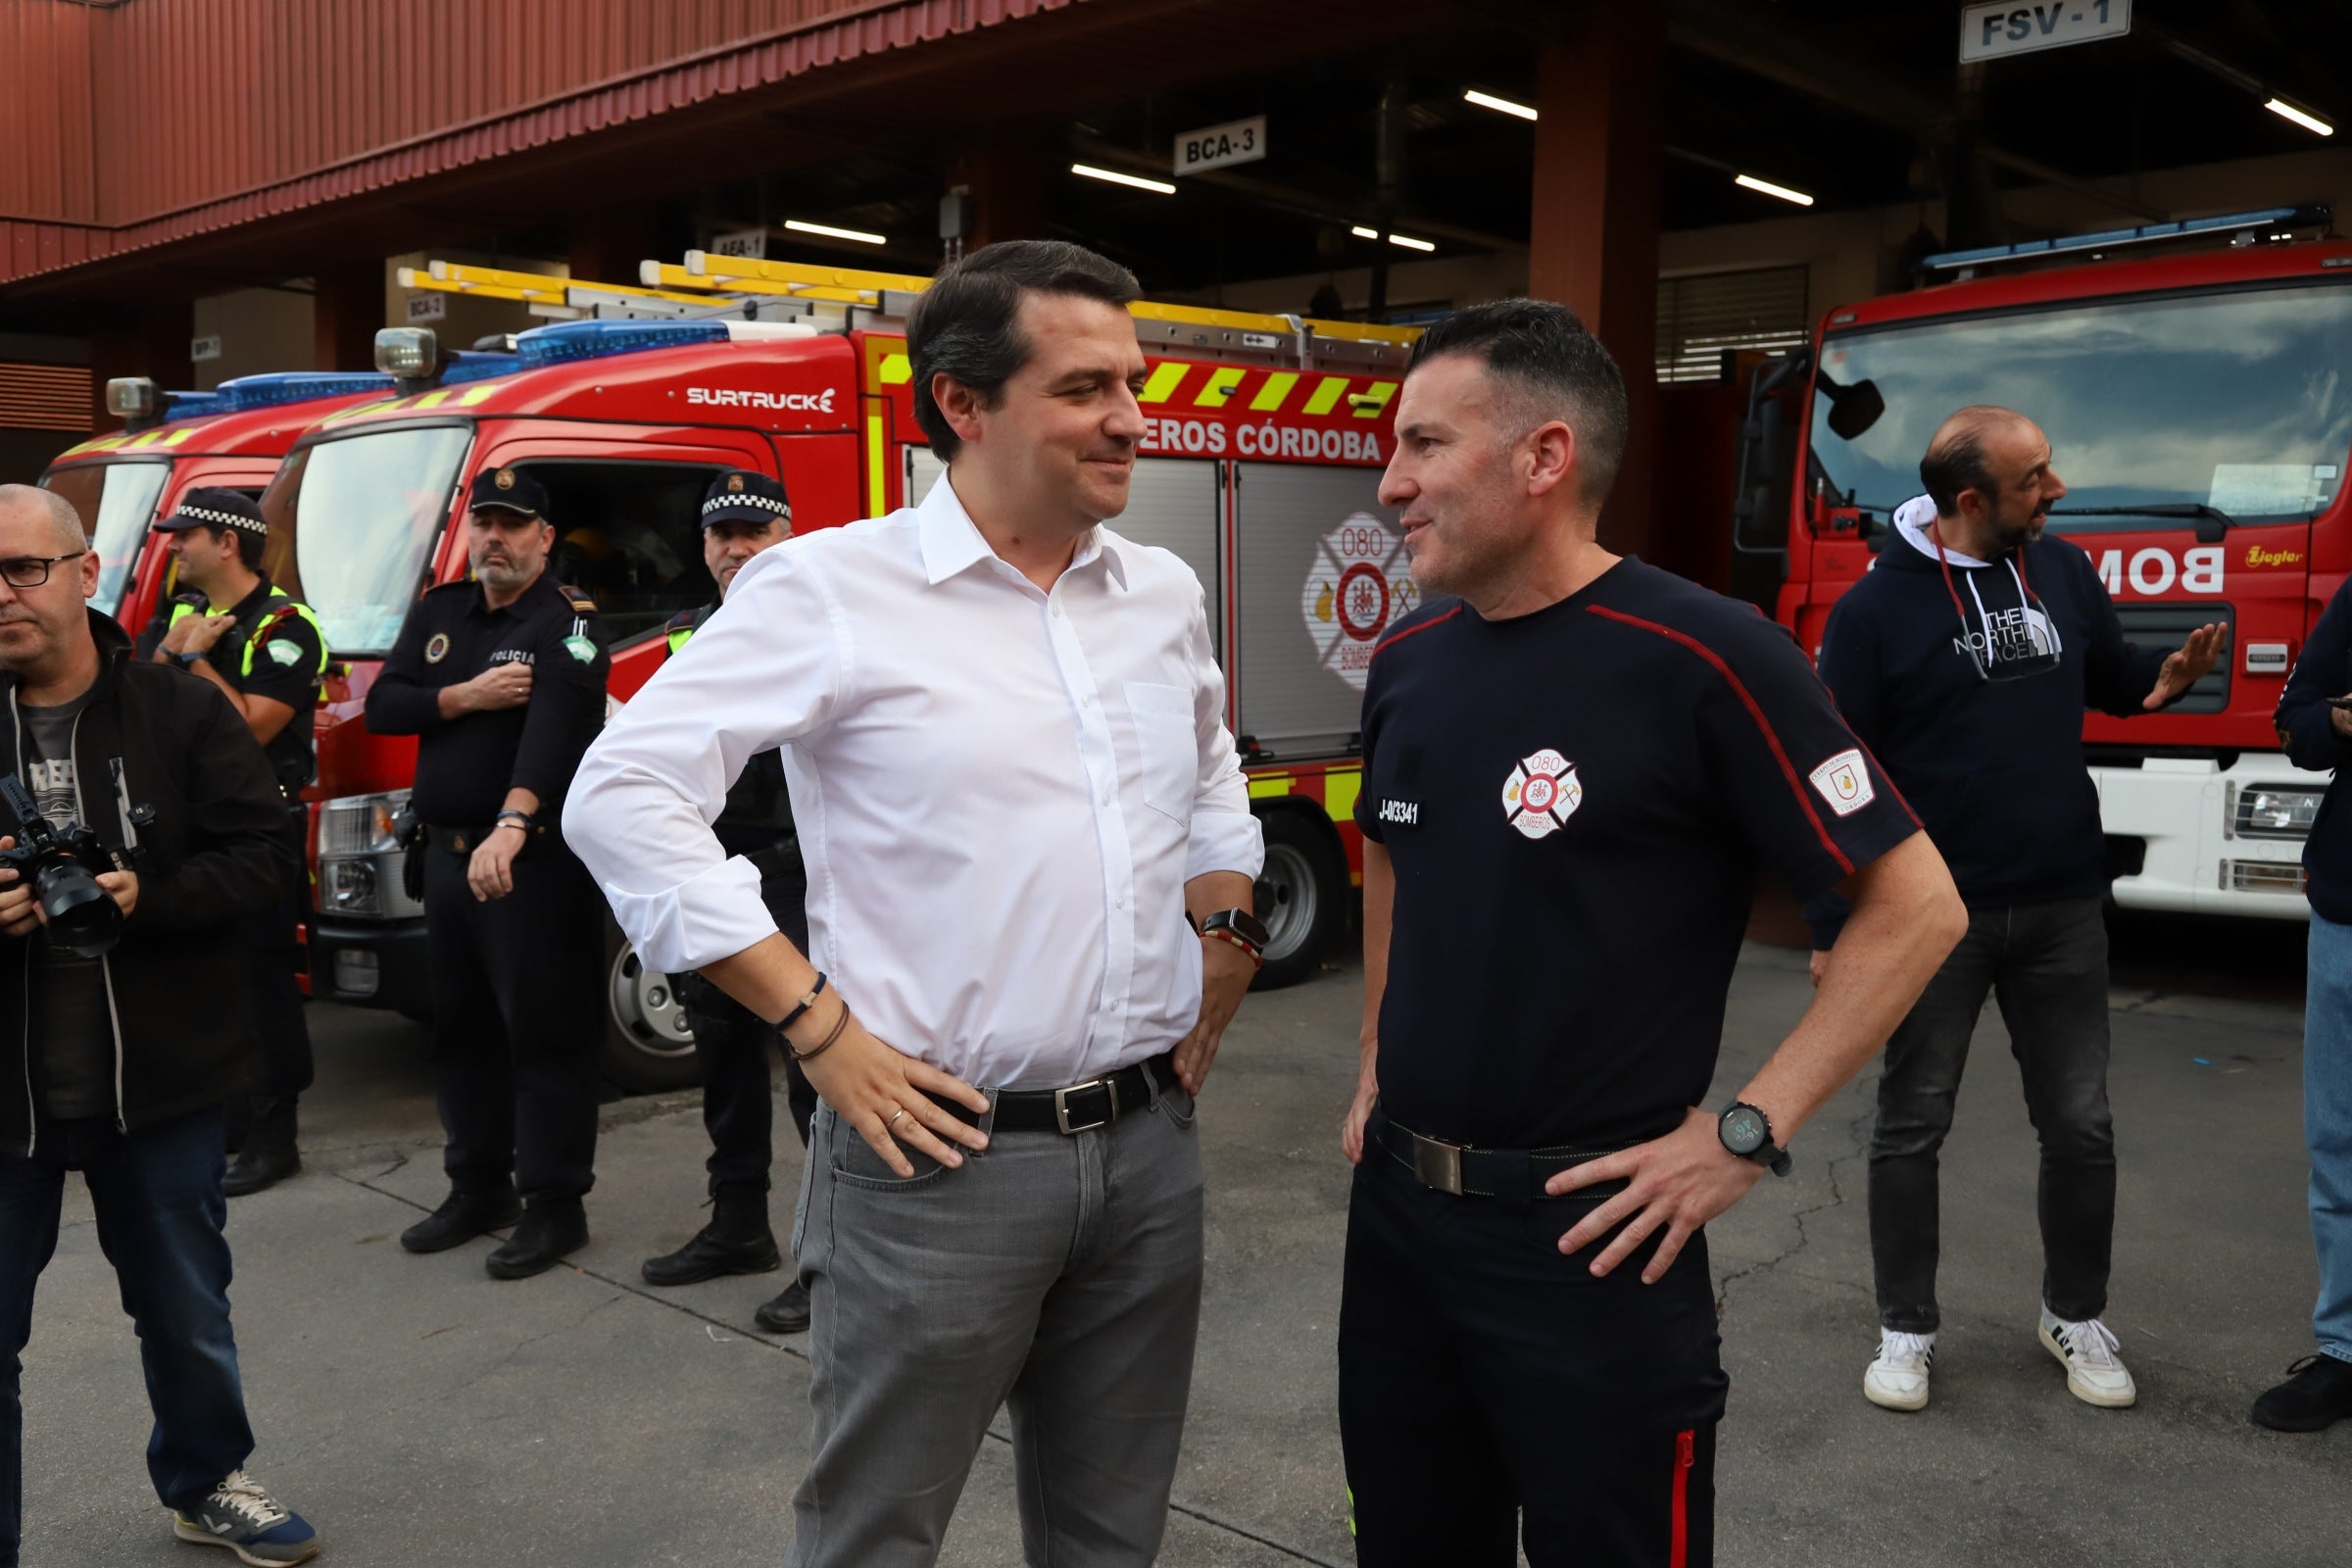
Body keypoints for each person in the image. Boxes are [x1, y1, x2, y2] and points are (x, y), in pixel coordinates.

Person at [564, 239, 1264, 1567]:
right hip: (938, 1162)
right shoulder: (831, 590)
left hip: (1150, 1143)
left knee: (1111, 1533)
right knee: (879, 1533)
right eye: (1084, 388)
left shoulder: (1158, 591)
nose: (1131, 417)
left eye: (1133, 380)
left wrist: (1225, 919)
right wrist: (816, 1027)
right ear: (962, 403)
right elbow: (625, 794)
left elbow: (1211, 767)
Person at [1334, 301, 1964, 1566]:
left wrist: (1747, 1131)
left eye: (1424, 445)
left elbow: (1918, 905)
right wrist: (1371, 1074)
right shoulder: (1406, 655)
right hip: (1400, 1229)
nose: (1391, 483)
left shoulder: (1705, 654)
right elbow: (1396, 857)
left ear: (1544, 457)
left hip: (1594, 1240)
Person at [1809, 406, 2224, 1413]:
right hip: (1932, 917)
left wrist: (2162, 681)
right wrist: (1834, 927)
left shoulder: (2065, 570)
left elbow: (2112, 680)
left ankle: (2074, 1315)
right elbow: (1837, 780)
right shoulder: (1874, 615)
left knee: (2081, 1127)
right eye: (2036, 477)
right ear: (1969, 500)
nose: (2058, 489)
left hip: (2062, 901)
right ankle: (1905, 1330)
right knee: (1912, 1126)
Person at [0, 484, 318, 1567]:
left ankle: (204, 1480)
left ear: (86, 573)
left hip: (165, 1084)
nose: (4, 594)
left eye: (24, 569)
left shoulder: (178, 708)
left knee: (185, 1312)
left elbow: (272, 856)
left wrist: (151, 894)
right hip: (6, 1098)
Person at [365, 466, 612, 1281]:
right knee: (459, 1033)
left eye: (513, 525)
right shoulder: (442, 613)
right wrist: (465, 696)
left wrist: (513, 821)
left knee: (545, 1037)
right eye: (485, 524)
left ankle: (554, 1206)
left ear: (545, 538)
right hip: (444, 855)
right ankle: (477, 1187)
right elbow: (386, 706)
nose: (495, 539)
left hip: (528, 864)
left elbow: (557, 726)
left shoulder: (566, 623)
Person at [639, 468, 822, 1336]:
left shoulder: (823, 631)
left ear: (789, 533)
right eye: (722, 534)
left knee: (816, 1075)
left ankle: (830, 1261)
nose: (737, 549)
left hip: (801, 883)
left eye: (755, 530)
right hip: (717, 874)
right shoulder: (687, 641)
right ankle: (738, 1224)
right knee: (725, 1066)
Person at [145, 489, 326, 1198]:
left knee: (263, 979)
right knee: (205, 976)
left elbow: (252, 727)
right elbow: (142, 699)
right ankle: (229, 1120)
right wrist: (171, 647)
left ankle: (275, 1133)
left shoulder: (286, 623)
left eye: (184, 534)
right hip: (191, 826)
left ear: (227, 541)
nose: (173, 546)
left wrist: (192, 662)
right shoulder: (184, 617)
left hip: (260, 826)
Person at [2259, 579, 2352, 1431]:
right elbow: (2296, 719)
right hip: (2348, 910)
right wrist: (2341, 722)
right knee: (2340, 1141)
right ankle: (2345, 1352)